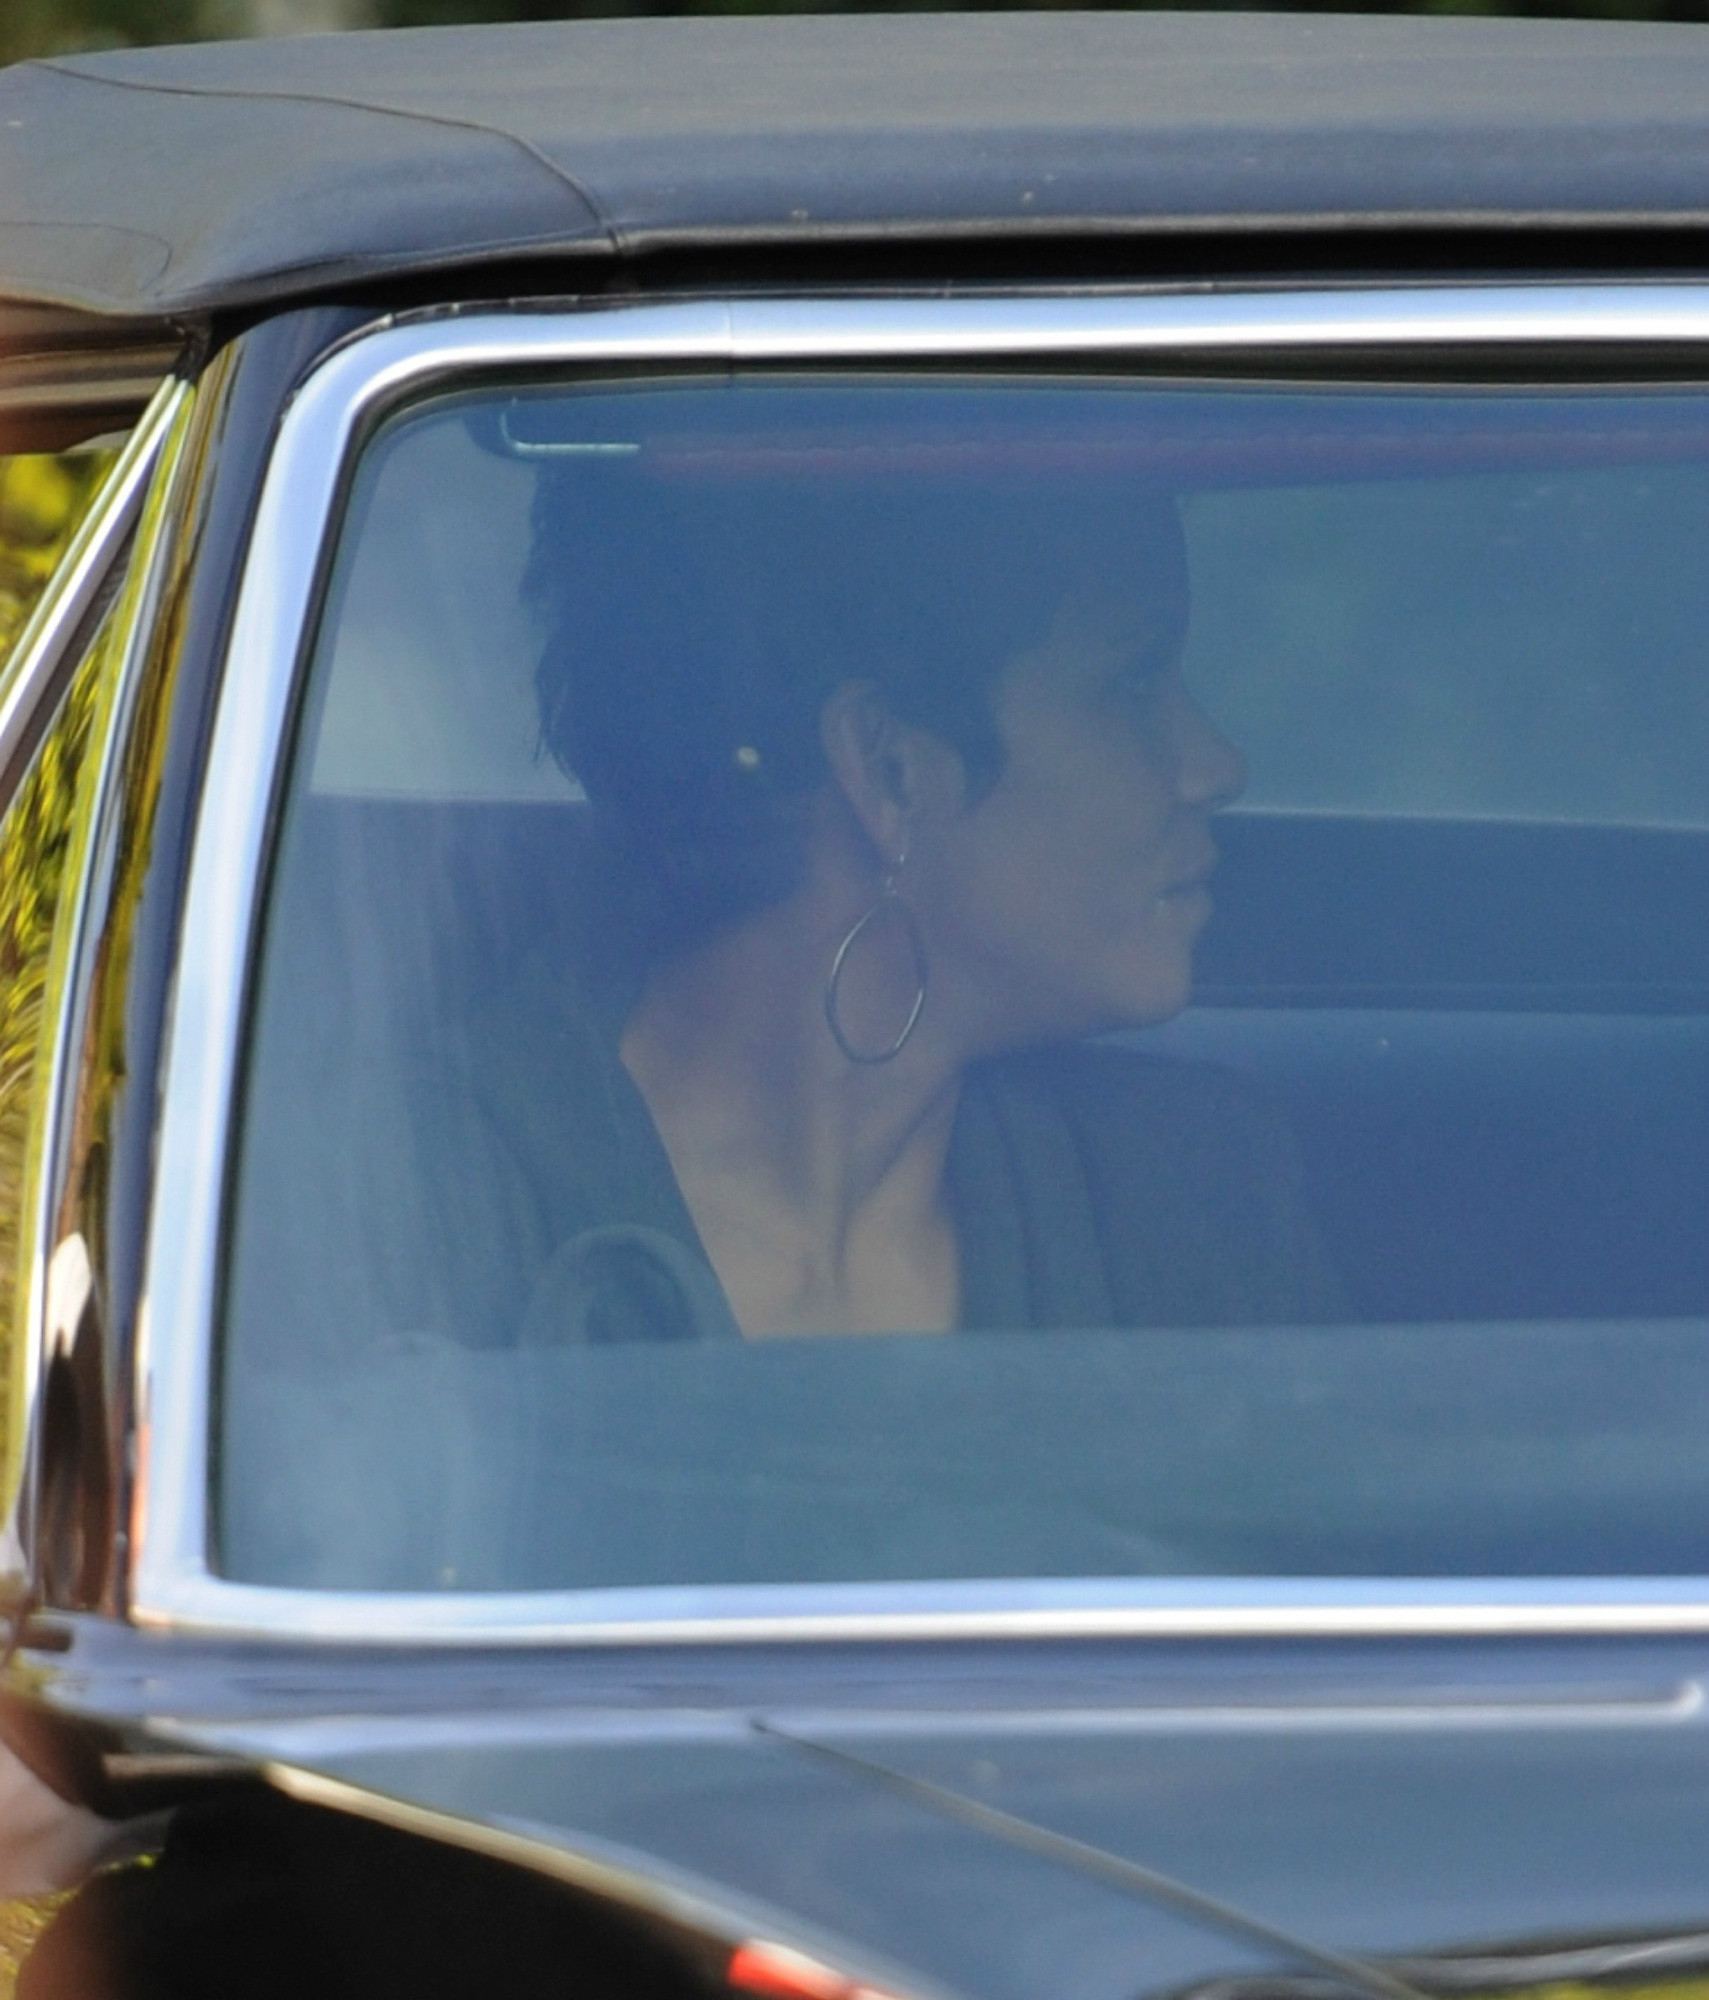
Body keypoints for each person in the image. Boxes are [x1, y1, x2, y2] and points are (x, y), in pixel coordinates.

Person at [448, 459, 1338, 1348]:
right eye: (1131, 686)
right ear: (887, 768)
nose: (1215, 767)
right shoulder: (440, 1203)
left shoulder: (1196, 1193)